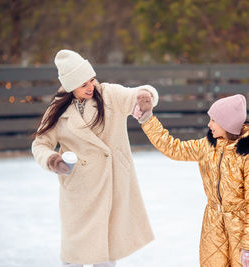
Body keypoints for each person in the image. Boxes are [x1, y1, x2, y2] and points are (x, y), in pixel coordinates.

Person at [31, 49, 157, 267]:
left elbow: (135, 94)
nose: (91, 87)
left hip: (111, 182)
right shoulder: (57, 110)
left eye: (92, 79)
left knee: (107, 252)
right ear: (70, 86)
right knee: (74, 254)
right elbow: (40, 143)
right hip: (79, 187)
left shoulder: (108, 94)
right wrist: (53, 160)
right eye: (83, 84)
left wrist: (146, 97)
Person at [133, 94, 249, 267]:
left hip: (241, 228)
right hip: (213, 225)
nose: (209, 124)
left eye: (214, 120)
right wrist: (148, 119)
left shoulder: (248, 156)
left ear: (227, 124)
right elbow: (174, 148)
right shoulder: (206, 146)